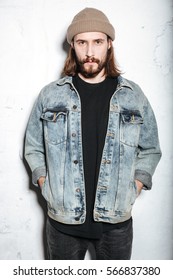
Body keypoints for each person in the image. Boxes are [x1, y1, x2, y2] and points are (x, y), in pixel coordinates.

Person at [24, 7, 162, 260]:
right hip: (63, 222)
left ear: (109, 44)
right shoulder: (50, 94)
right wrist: (46, 185)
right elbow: (34, 147)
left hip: (116, 223)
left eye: (97, 42)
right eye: (82, 42)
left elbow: (150, 148)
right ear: (72, 46)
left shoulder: (133, 95)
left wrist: (135, 186)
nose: (89, 52)